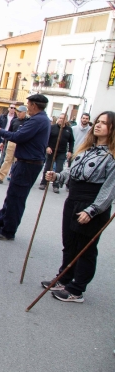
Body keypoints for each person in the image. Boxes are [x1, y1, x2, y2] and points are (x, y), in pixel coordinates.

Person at [41, 111, 115, 302]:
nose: (97, 125)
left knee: (85, 248)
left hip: (92, 205)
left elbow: (109, 189)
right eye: (97, 122)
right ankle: (64, 278)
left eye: (104, 123)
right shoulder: (85, 149)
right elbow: (70, 171)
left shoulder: (112, 156)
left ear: (112, 128)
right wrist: (57, 177)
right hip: (73, 200)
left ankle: (77, 289)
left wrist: (92, 211)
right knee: (70, 243)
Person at [0, 94, 51, 240]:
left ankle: (8, 231)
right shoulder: (40, 119)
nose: (26, 108)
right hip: (26, 162)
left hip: (28, 164)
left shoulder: (37, 120)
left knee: (16, 198)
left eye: (28, 104)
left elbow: (19, 137)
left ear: (34, 105)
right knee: (12, 196)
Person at [39, 113, 74, 194]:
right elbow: (45, 138)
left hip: (61, 152)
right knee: (47, 167)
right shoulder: (52, 128)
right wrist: (47, 147)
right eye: (60, 118)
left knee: (59, 169)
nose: (61, 119)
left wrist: (70, 151)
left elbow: (71, 141)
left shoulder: (69, 129)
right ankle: (43, 183)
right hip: (51, 151)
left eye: (63, 118)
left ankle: (56, 185)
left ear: (66, 120)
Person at [0, 105, 28, 183]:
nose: (18, 113)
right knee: (7, 160)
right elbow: (8, 132)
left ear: (25, 113)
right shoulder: (14, 120)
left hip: (21, 143)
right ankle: (0, 177)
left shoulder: (28, 122)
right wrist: (3, 142)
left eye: (20, 112)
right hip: (12, 142)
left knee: (18, 162)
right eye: (18, 112)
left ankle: (15, 177)